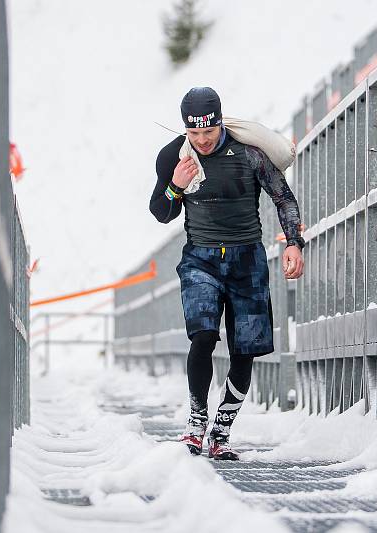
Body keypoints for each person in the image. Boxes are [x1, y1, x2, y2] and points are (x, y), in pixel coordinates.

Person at [149, 87, 304, 460]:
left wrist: (294, 242)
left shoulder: (249, 154)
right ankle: (195, 425)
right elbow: (161, 211)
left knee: (244, 350)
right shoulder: (175, 156)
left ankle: (221, 431)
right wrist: (176, 186)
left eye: (209, 132)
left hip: (246, 260)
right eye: (195, 134)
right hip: (200, 260)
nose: (202, 141)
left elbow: (282, 196)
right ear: (186, 129)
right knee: (202, 336)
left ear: (220, 122)